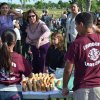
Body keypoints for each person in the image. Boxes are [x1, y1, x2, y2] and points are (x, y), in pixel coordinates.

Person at [62, 12, 100, 100]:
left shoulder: (76, 44)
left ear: (81, 24)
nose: (75, 27)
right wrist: (94, 28)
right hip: (98, 86)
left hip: (81, 87)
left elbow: (68, 70)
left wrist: (65, 86)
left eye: (76, 25)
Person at [0, 29, 32, 100]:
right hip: (15, 93)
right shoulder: (19, 58)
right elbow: (30, 75)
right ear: (14, 43)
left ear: (1, 41)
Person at [25, 9, 51, 73]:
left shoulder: (41, 23)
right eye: (29, 16)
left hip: (43, 47)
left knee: (43, 64)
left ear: (36, 16)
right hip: (34, 48)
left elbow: (48, 31)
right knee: (35, 64)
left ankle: (44, 80)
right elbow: (28, 37)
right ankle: (36, 79)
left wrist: (40, 38)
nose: (31, 18)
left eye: (33, 16)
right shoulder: (28, 26)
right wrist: (28, 40)